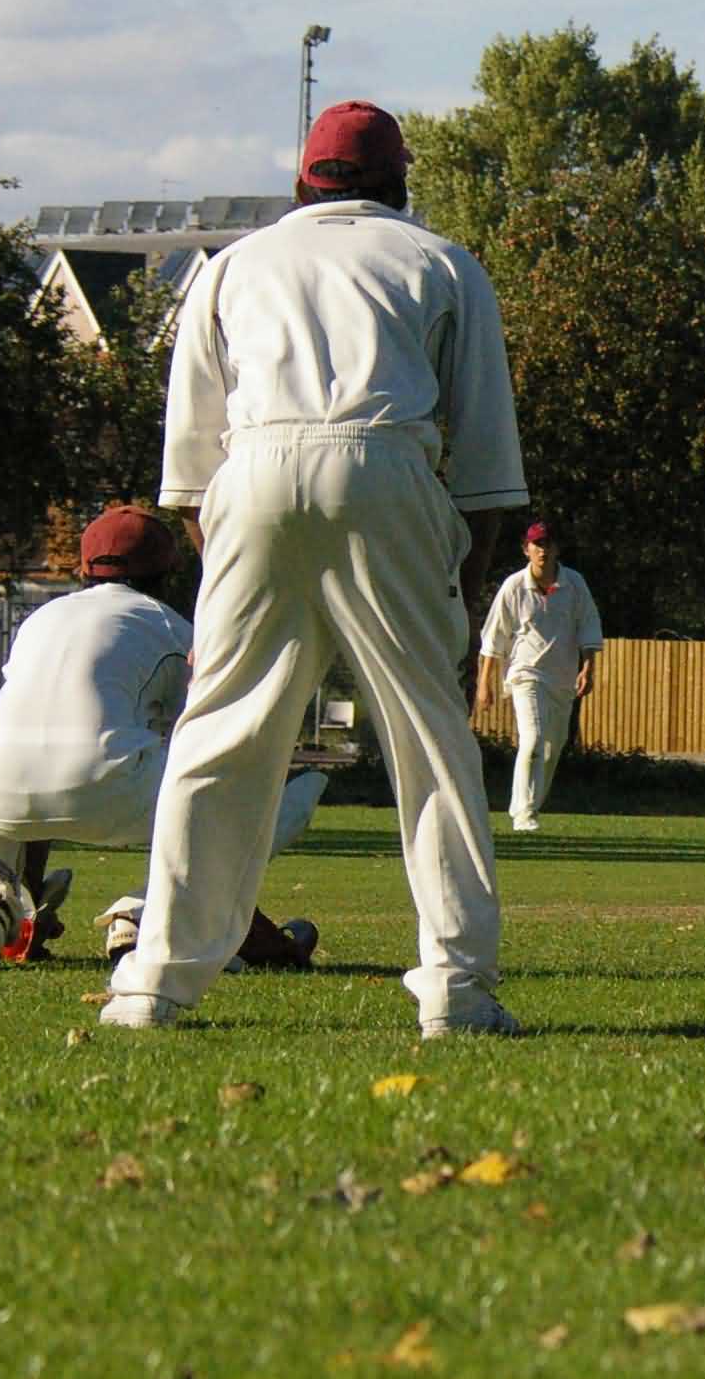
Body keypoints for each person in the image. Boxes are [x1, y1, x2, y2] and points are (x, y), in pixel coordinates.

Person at [101, 101, 528, 1037]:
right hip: (387, 468)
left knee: (218, 733)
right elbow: (491, 474)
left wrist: (243, 587)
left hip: (251, 475)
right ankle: (457, 988)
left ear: (303, 183)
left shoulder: (230, 268)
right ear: (399, 183)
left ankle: (152, 985)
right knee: (431, 741)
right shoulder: (442, 264)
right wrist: (456, 609)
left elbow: (188, 477)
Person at [0, 506, 327, 971]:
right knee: (250, 789)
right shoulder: (174, 629)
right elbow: (211, 739)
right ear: (169, 571)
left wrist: (34, 891)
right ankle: (147, 911)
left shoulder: (40, 621)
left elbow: (40, 755)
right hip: (115, 789)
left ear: (82, 569)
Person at [475, 518, 602, 833]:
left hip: (562, 679)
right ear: (526, 549)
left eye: (548, 544)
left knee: (552, 746)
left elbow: (588, 626)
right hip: (525, 675)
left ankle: (529, 806)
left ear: (557, 549)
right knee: (532, 740)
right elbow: (494, 636)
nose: (542, 550)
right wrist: (483, 683)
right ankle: (523, 813)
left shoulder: (574, 584)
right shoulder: (514, 587)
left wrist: (588, 667)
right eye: (536, 544)